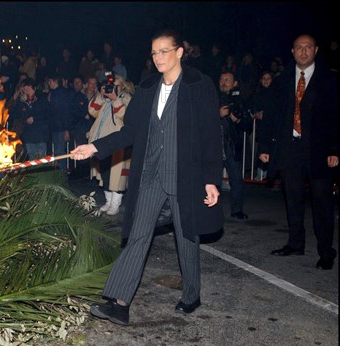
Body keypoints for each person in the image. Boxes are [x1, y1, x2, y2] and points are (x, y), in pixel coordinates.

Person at [70, 29, 223, 325]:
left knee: (187, 237)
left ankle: (191, 294)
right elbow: (130, 132)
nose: (158, 58)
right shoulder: (148, 87)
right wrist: (93, 147)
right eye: (154, 53)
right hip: (150, 175)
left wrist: (210, 179)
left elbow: (210, 135)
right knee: (138, 235)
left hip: (185, 176)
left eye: (164, 51)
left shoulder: (198, 85)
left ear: (180, 52)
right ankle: (120, 302)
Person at [258, 34, 339, 270]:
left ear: (316, 51)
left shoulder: (329, 80)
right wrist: (264, 147)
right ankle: (295, 243)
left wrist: (335, 149)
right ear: (292, 52)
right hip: (290, 148)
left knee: (322, 202)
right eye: (299, 48)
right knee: (292, 199)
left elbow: (336, 117)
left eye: (308, 47)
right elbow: (270, 116)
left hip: (319, 151)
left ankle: (326, 252)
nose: (303, 51)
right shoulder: (282, 80)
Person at [87, 74, 133, 215]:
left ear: (122, 86)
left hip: (118, 143)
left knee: (118, 176)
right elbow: (92, 111)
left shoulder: (127, 98)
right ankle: (108, 201)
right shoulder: (105, 98)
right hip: (101, 142)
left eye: (116, 85)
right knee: (105, 173)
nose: (111, 88)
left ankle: (115, 203)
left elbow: (127, 116)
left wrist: (115, 100)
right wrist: (101, 96)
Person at [219, 71, 252, 219]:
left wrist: (237, 120)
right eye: (222, 79)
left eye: (227, 80)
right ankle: (208, 209)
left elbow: (248, 124)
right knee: (210, 178)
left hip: (232, 145)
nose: (224, 82)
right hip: (215, 145)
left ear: (234, 83)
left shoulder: (240, 100)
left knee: (236, 179)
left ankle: (237, 210)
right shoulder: (212, 97)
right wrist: (217, 114)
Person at [12, 78, 51, 159]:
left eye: (27, 86)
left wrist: (35, 118)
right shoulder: (22, 102)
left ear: (32, 87)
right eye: (23, 87)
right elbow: (15, 115)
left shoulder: (41, 99)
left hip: (41, 136)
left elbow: (47, 114)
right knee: (32, 160)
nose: (25, 89)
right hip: (29, 136)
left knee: (41, 159)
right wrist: (16, 101)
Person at [46, 73, 72, 171]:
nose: (49, 84)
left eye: (50, 82)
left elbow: (65, 112)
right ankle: (60, 174)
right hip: (55, 127)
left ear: (55, 82)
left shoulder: (62, 94)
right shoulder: (53, 94)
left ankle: (63, 174)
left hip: (60, 127)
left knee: (60, 152)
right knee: (57, 152)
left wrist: (66, 129)